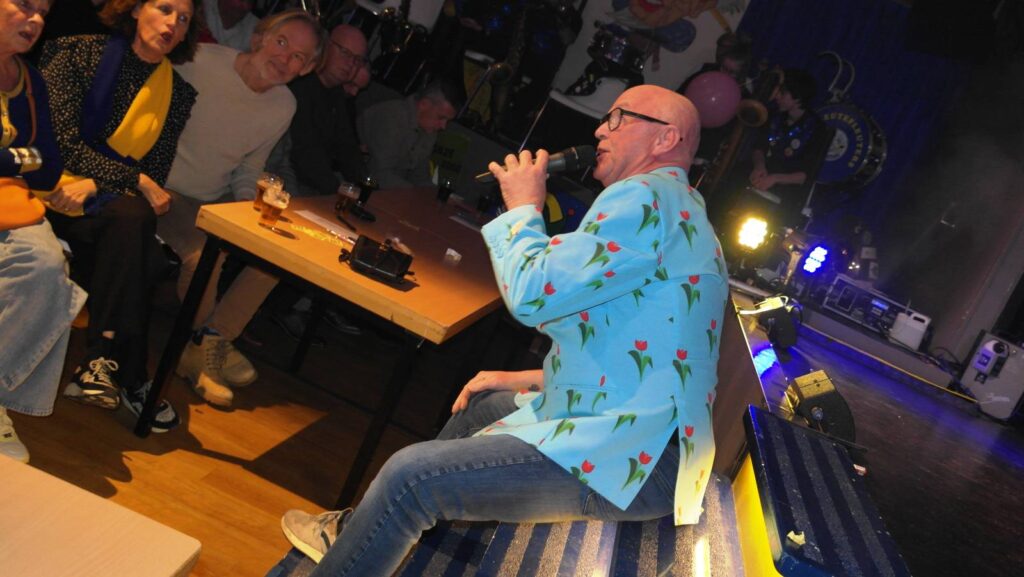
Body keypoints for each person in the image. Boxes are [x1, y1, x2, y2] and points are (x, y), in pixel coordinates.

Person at [280, 85, 728, 576]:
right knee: (484, 405)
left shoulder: (644, 199)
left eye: (620, 118)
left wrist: (523, 207)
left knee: (409, 478)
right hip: (647, 442)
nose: (601, 129)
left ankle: (371, 538)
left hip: (629, 459)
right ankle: (363, 536)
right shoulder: (681, 210)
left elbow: (533, 294)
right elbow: (638, 352)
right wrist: (524, 378)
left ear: (665, 138)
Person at [39, 0, 201, 431]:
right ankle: (129, 374)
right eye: (165, 8)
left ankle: (100, 363)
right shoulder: (76, 51)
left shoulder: (178, 93)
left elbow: (156, 174)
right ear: (134, 9)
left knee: (133, 222)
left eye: (184, 19)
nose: (173, 23)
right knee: (142, 252)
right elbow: (59, 142)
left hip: (106, 206)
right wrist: (133, 179)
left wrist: (101, 184)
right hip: (46, 186)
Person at [159, 9, 324, 407]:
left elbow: (249, 167)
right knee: (204, 256)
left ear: (305, 69)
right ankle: (200, 348)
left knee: (276, 255)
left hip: (214, 198)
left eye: (298, 57)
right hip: (164, 189)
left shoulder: (284, 104)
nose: (285, 59)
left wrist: (251, 208)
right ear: (258, 38)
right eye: (281, 43)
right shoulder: (200, 62)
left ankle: (210, 340)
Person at [0, 0, 88, 463]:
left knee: (49, 266)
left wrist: (11, 160)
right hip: (11, 197)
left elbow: (50, 168)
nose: (35, 19)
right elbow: (36, 159)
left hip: (11, 205)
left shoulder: (30, 81)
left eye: (44, 11)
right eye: (25, 4)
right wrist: (23, 157)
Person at [746, 68, 830, 228]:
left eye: (783, 93)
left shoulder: (816, 129)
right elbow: (759, 146)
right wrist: (759, 165)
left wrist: (775, 178)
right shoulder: (775, 116)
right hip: (762, 178)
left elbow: (806, 175)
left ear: (797, 98)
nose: (777, 96)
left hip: (786, 193)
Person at [356, 80, 462, 189]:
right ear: (424, 104)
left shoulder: (428, 130)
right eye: (441, 117)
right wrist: (414, 194)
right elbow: (377, 173)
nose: (443, 126)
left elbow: (420, 175)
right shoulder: (392, 117)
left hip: (389, 190)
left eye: (447, 121)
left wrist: (432, 194)